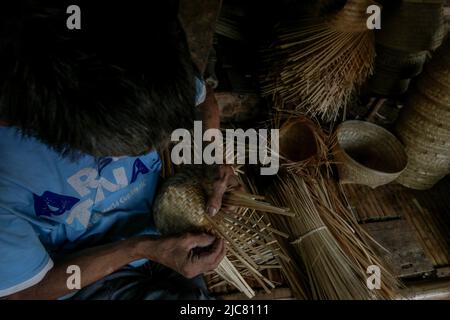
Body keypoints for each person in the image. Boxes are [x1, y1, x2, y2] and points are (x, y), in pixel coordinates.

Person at [0, 0, 238, 299]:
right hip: (81, 278)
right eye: (129, 151)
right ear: (76, 137)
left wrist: (210, 152)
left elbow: (202, 99)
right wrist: (141, 248)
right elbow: (22, 292)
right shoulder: (8, 170)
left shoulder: (131, 58)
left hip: (165, 232)